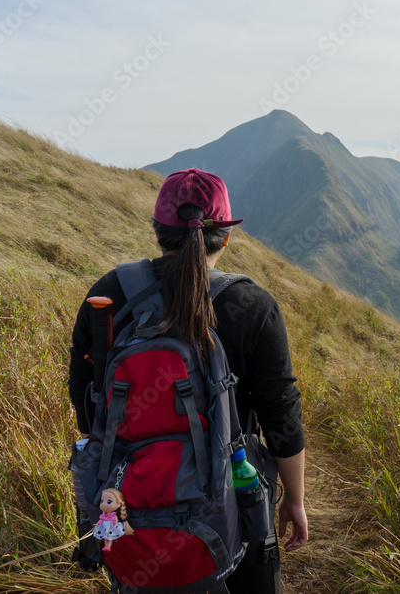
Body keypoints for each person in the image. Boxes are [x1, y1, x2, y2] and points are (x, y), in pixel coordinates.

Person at [68, 168, 308, 593]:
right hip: (234, 497)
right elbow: (281, 415)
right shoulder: (251, 305)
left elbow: (87, 402)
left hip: (129, 506)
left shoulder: (108, 295)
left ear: (158, 230)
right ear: (226, 237)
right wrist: (294, 498)